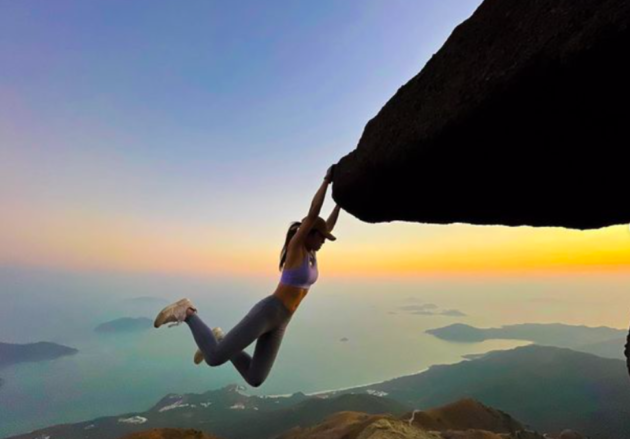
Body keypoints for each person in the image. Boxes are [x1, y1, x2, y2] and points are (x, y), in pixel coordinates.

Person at [153, 165, 341, 387]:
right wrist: (327, 182)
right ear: (310, 233)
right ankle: (188, 312)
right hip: (270, 310)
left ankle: (220, 338)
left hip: (283, 320)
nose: (323, 241)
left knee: (255, 378)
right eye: (322, 237)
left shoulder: (311, 252)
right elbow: (313, 213)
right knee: (213, 357)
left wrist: (341, 201)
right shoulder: (296, 247)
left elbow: (326, 224)